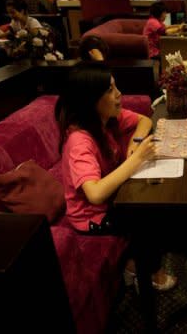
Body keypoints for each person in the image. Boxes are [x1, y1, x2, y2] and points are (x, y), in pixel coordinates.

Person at [55, 62, 177, 290]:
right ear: (91, 100)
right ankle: (143, 271)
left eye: (115, 86)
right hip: (92, 217)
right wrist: (136, 159)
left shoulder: (108, 119)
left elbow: (145, 120)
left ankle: (137, 265)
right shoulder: (79, 141)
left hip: (114, 198)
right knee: (151, 219)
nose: (119, 94)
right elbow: (95, 194)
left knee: (159, 204)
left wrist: (133, 145)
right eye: (110, 90)